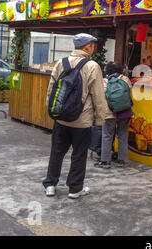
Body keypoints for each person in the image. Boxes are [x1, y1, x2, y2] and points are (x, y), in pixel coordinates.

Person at [43, 33, 106, 199]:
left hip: (61, 118)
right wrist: (100, 119)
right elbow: (98, 95)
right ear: (87, 47)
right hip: (82, 121)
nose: (94, 49)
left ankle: (50, 184)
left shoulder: (60, 63)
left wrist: (52, 111)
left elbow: (51, 89)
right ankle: (74, 189)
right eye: (93, 45)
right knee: (79, 154)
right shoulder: (92, 66)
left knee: (56, 151)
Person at [94, 61, 133, 169]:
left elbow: (100, 98)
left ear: (107, 70)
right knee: (123, 135)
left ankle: (105, 161)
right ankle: (122, 160)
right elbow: (130, 96)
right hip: (125, 112)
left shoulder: (104, 81)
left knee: (107, 136)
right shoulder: (126, 80)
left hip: (108, 113)